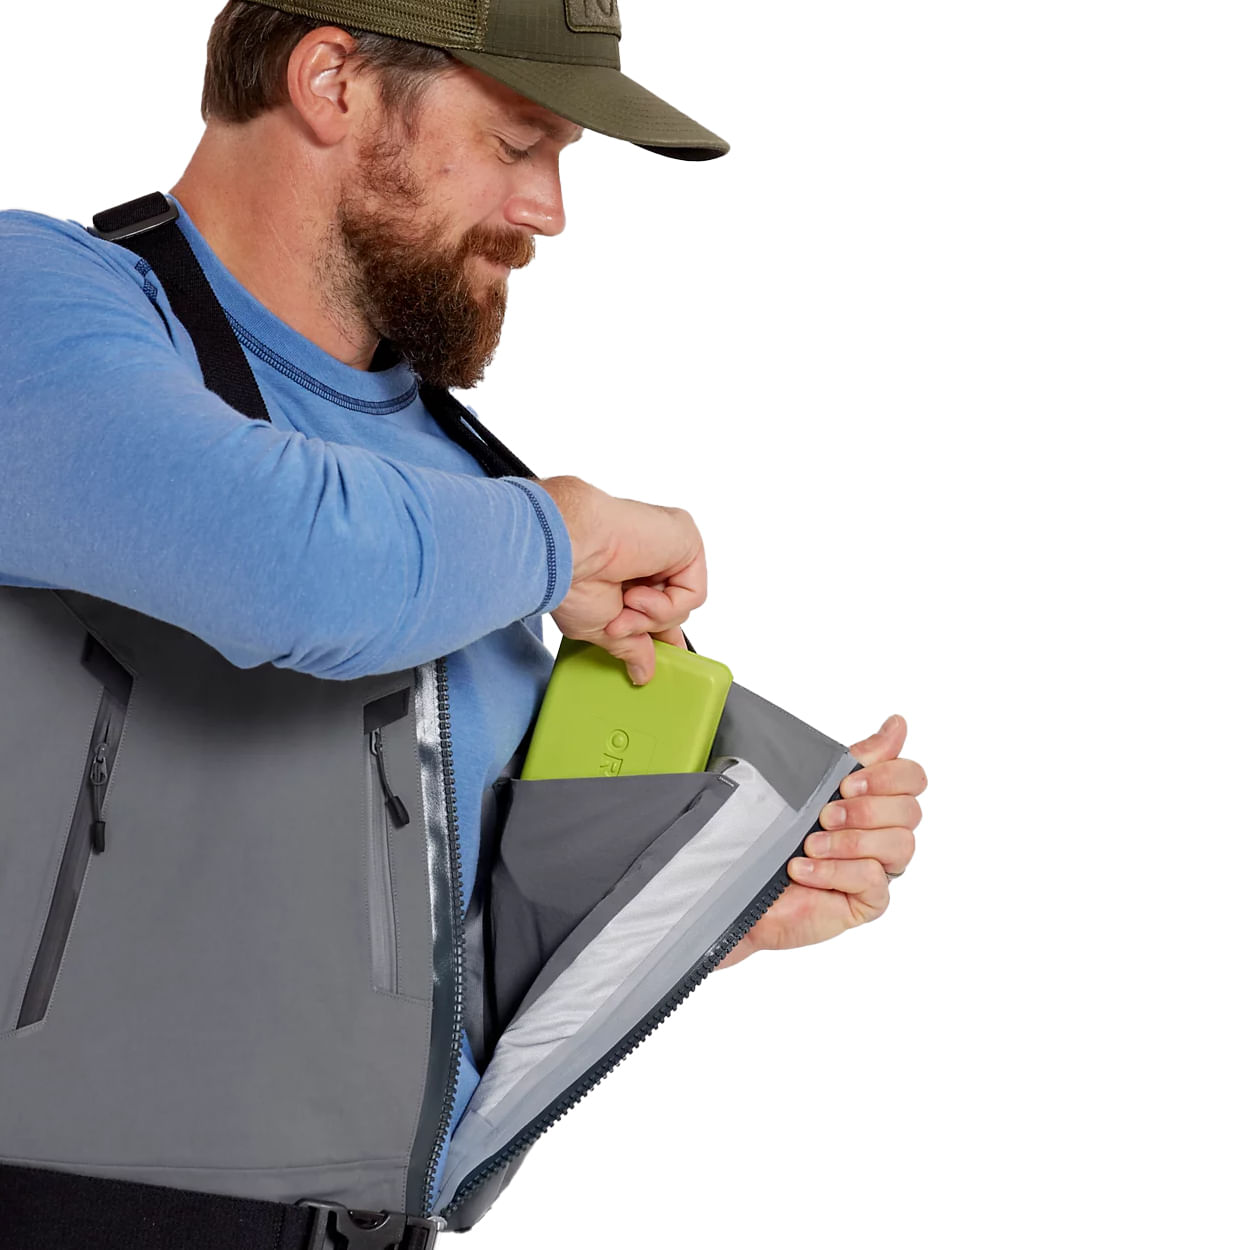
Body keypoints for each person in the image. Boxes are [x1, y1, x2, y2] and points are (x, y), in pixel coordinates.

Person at [0, 0, 926, 1241]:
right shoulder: (38, 302)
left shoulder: (462, 495)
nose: (548, 210)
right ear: (331, 80)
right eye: (516, 143)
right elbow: (296, 566)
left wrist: (696, 910)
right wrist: (567, 532)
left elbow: (424, 1021)